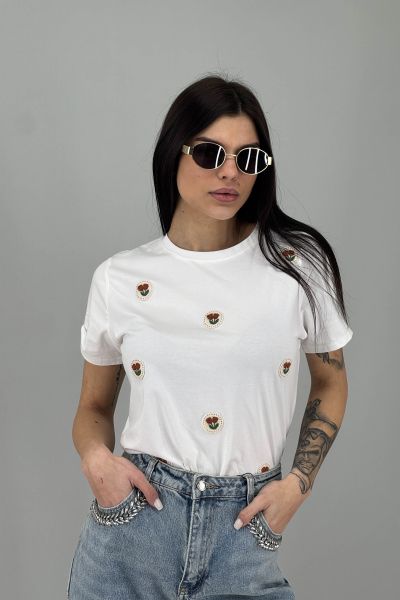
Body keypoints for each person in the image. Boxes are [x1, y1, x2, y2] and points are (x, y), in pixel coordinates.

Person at [67, 74, 353, 600]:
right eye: (209, 153)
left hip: (243, 535)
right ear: (172, 154)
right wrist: (96, 461)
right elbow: (93, 408)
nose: (229, 172)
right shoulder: (119, 278)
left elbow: (332, 382)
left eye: (249, 158)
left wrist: (298, 485)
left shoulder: (296, 265)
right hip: (133, 531)